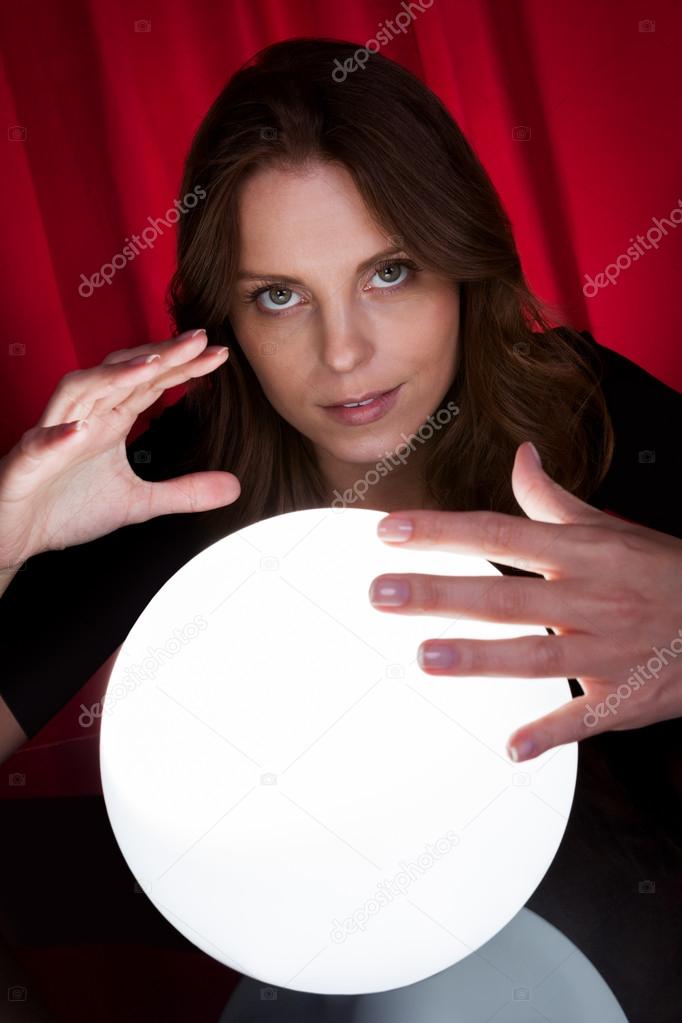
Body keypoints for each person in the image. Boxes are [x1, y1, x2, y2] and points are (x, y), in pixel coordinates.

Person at [0, 36, 680, 1023]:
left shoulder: (576, 403)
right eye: (280, 296)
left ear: (458, 261)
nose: (344, 352)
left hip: (603, 934)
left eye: (390, 271)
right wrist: (10, 533)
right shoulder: (185, 466)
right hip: (321, 954)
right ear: (226, 319)